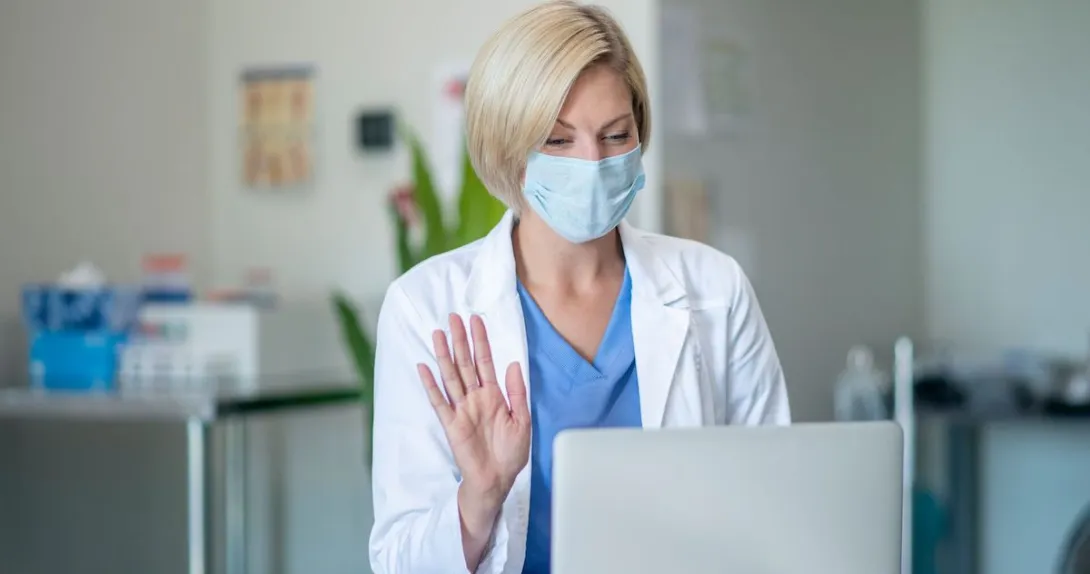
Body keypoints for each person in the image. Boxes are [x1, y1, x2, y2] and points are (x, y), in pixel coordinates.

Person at [368, 2, 791, 572]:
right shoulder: (426, 308)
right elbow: (399, 560)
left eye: (616, 135)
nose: (593, 162)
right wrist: (479, 498)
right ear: (508, 145)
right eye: (560, 142)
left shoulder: (714, 289)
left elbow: (778, 503)